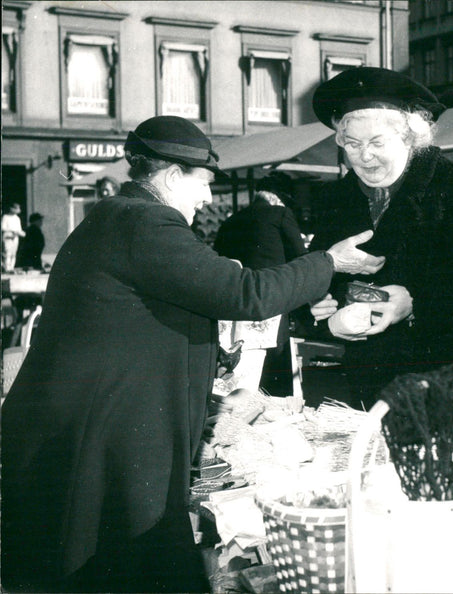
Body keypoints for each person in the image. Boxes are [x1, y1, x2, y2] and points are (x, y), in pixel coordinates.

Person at [1, 115, 384, 593]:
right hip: (98, 432)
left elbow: (153, 312)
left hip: (89, 424)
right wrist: (330, 261)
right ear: (169, 177)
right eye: (202, 183)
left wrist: (215, 362)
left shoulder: (116, 216)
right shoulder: (145, 221)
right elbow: (246, 293)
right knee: (126, 563)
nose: (207, 198)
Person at [308, 67, 453, 443]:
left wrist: (416, 303)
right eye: (351, 144)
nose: (364, 156)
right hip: (369, 391)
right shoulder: (334, 199)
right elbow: (318, 281)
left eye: (377, 142)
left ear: (411, 137)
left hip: (449, 392)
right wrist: (320, 311)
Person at [214, 175, 308, 394]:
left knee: (241, 365)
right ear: (279, 199)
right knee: (275, 369)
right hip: (271, 301)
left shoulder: (230, 221)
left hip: (235, 306)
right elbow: (302, 258)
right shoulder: (281, 214)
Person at [1, 202, 26, 272]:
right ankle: (7, 268)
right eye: (16, 208)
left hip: (15, 238)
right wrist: (12, 231)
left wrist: (21, 233)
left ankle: (11, 267)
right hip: (7, 237)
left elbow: (19, 229)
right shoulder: (5, 217)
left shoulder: (17, 218)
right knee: (7, 253)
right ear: (11, 208)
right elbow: (3, 227)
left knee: (13, 253)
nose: (18, 210)